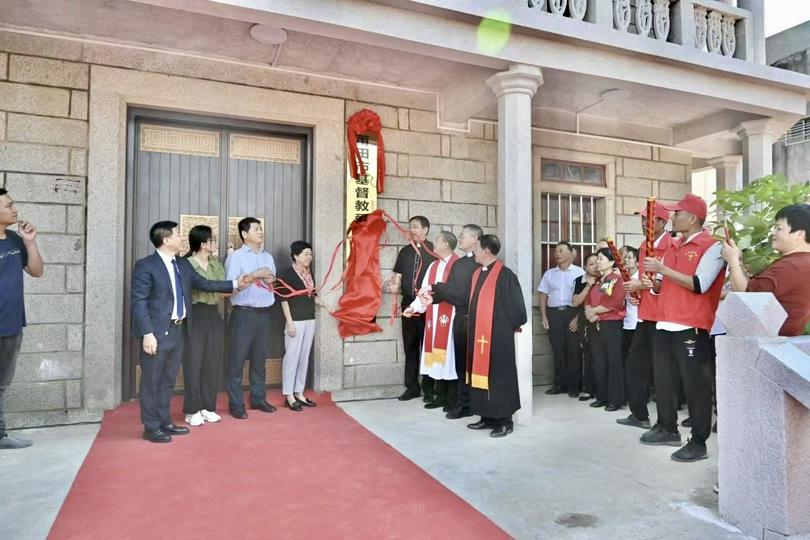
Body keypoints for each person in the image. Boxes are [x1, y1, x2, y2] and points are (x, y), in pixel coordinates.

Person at [132, 221, 247, 443]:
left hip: (179, 330)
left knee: (167, 381)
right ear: (165, 240)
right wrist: (147, 333)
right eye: (177, 234)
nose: (181, 238)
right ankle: (151, 427)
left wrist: (234, 283)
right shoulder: (146, 266)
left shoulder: (182, 265)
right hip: (157, 334)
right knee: (151, 382)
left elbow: (205, 284)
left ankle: (165, 422)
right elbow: (139, 302)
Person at [640, 194, 725, 462]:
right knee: (664, 381)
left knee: (695, 385)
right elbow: (668, 286)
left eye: (677, 213)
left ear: (692, 218)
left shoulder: (712, 247)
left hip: (691, 325)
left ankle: (698, 442)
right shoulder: (675, 245)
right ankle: (667, 427)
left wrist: (663, 269)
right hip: (665, 322)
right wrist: (652, 284)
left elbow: (700, 283)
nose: (672, 218)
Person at [462, 235, 527, 438]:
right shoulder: (477, 274)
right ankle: (486, 416)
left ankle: (505, 421)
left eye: (477, 249)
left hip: (498, 337)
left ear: (487, 251)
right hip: (479, 335)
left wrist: (505, 328)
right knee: (481, 377)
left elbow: (518, 310)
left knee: (500, 377)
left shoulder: (505, 276)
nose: (474, 252)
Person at [619, 202, 672, 429]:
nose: (643, 224)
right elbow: (646, 280)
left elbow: (665, 281)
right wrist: (637, 293)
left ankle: (666, 424)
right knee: (634, 366)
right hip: (645, 314)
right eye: (642, 220)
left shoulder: (672, 246)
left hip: (663, 317)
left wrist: (639, 284)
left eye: (648, 220)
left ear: (662, 222)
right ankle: (639, 414)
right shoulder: (643, 245)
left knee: (662, 371)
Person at [722, 203, 810, 336]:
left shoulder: (792, 266)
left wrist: (732, 260)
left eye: (779, 228)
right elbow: (753, 287)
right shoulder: (801, 261)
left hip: (770, 343)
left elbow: (747, 295)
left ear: (799, 234)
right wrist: (738, 260)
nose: (773, 233)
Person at [0, 189, 44, 450]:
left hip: (12, 324)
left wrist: (30, 242)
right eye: (8, 206)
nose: (14, 209)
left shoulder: (16, 240)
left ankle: (1, 435)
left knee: (2, 385)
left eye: (13, 204)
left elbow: (37, 271)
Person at [224, 217, 278, 420]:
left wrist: (271, 279)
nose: (260, 232)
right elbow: (231, 286)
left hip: (264, 314)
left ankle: (258, 398)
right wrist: (257, 274)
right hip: (243, 314)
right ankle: (236, 404)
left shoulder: (269, 257)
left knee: (259, 360)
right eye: (256, 229)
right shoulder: (235, 258)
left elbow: (273, 284)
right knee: (236, 361)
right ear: (244, 234)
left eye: (261, 228)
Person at [429, 224, 483, 419]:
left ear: (476, 239)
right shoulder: (459, 264)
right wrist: (432, 295)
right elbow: (451, 290)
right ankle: (463, 403)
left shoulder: (480, 263)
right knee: (461, 364)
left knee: (476, 365)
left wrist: (438, 289)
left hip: (477, 320)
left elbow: (464, 294)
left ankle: (475, 403)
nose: (459, 239)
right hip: (460, 318)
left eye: (463, 236)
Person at [405, 231, 459, 411]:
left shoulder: (458, 265)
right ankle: (440, 395)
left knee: (449, 358)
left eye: (437, 240)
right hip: (433, 318)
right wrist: (414, 307)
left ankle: (453, 397)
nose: (434, 243)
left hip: (451, 318)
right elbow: (424, 292)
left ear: (446, 245)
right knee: (437, 359)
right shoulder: (433, 266)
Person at [386, 215, 436, 401]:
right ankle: (412, 387)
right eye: (410, 227)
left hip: (429, 309)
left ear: (426, 229)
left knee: (429, 348)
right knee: (410, 347)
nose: (412, 230)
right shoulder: (405, 251)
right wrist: (393, 287)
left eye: (416, 227)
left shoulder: (434, 250)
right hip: (408, 306)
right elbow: (397, 277)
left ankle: (430, 390)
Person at [183, 225, 228, 427]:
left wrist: (239, 285)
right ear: (203, 243)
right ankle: (192, 410)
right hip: (194, 314)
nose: (215, 243)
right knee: (194, 362)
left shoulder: (216, 264)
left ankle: (208, 407)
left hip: (213, 314)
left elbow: (223, 290)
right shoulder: (186, 264)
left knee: (212, 361)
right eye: (212, 240)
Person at [276, 241, 324, 411]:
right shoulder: (286, 274)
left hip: (309, 319)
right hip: (295, 321)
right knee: (292, 358)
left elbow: (313, 296)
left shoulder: (308, 274)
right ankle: (289, 395)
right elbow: (283, 300)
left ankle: (299, 392)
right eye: (305, 254)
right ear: (295, 256)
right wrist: (289, 323)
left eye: (310, 254)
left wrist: (324, 304)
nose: (308, 257)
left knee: (304, 358)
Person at [537, 242, 584, 397]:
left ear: (571, 254)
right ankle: (559, 385)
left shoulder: (579, 273)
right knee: (557, 351)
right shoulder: (549, 274)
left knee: (573, 351)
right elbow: (543, 295)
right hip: (554, 314)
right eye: (556, 251)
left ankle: (574, 387)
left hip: (572, 313)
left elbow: (585, 298)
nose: (557, 254)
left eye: (561, 251)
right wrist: (544, 316)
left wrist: (578, 318)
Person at [584, 248, 627, 411]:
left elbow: (614, 303)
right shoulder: (599, 281)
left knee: (612, 362)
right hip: (596, 325)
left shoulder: (615, 279)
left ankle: (615, 400)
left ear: (611, 262)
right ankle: (602, 396)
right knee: (599, 362)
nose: (597, 262)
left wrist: (594, 311)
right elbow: (589, 300)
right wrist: (589, 312)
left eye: (601, 259)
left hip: (610, 326)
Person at [571, 253, 599, 402]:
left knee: (600, 356)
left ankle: (601, 390)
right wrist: (588, 286)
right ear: (585, 267)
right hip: (585, 321)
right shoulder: (580, 281)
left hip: (603, 320)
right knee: (588, 355)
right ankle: (588, 389)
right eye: (591, 264)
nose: (595, 266)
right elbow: (575, 302)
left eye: (597, 262)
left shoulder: (605, 279)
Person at [622, 247, 640, 361]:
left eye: (630, 258)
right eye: (625, 257)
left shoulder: (641, 279)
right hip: (625, 321)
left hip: (637, 321)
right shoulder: (622, 277)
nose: (626, 260)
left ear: (638, 262)